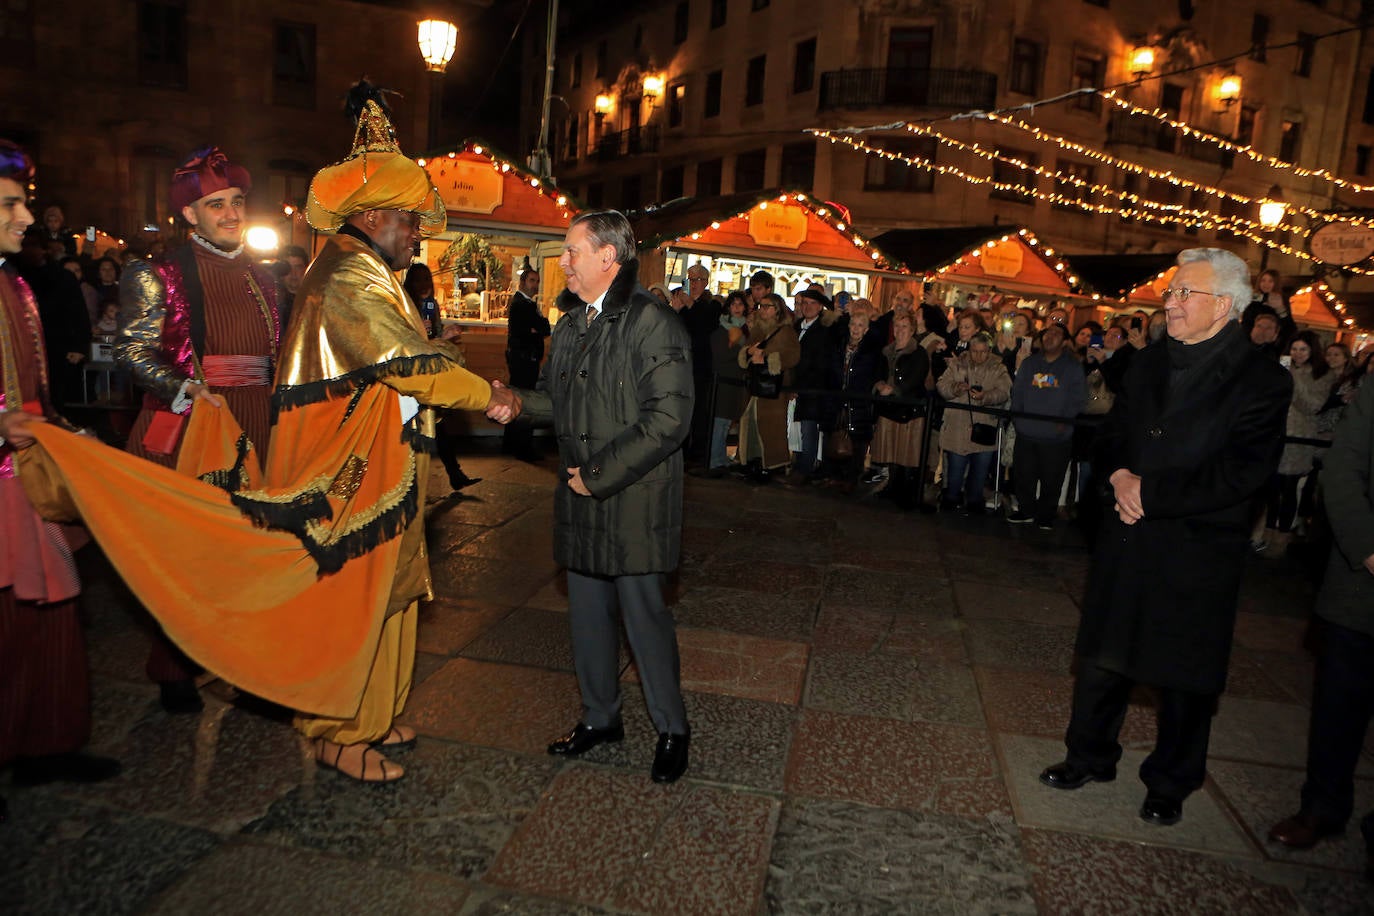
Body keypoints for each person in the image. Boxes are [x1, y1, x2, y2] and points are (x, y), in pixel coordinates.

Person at [272, 88, 519, 782]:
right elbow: (404, 363)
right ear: (374, 215)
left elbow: (407, 350)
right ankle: (340, 732)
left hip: (384, 461)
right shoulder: (350, 273)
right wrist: (488, 395)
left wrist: (442, 352)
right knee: (359, 595)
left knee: (395, 586)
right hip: (350, 471)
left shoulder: (373, 270)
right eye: (411, 222)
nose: (419, 235)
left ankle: (373, 716)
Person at [1038, 248, 1291, 827]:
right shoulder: (1148, 362)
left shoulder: (1261, 380)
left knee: (1183, 677)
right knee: (1103, 660)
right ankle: (1089, 755)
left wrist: (1152, 496)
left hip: (1195, 548)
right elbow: (1113, 434)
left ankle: (1171, 780)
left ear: (1223, 305)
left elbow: (1243, 472)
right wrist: (1120, 476)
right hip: (1126, 539)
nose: (1170, 303)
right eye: (1171, 292)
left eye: (1184, 294)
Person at [510, 210, 694, 784]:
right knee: (587, 617)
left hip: (633, 496)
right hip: (581, 492)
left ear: (607, 258)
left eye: (570, 252)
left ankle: (672, 729)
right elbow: (554, 402)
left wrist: (596, 472)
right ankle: (600, 717)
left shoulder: (651, 321)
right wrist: (513, 403)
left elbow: (669, 419)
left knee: (644, 619)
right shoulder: (568, 325)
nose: (561, 262)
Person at [115, 145, 286, 715]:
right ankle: (173, 667)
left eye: (238, 201)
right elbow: (132, 352)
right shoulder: (155, 273)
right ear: (190, 214)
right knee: (187, 554)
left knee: (251, 552)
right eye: (218, 205)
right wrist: (187, 389)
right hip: (192, 423)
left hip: (256, 419)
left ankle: (249, 671)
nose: (234, 213)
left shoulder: (267, 278)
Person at [0, 140, 120, 823]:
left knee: (50, 614)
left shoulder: (16, 284)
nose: (28, 220)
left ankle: (46, 743)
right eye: (12, 206)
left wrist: (62, 429)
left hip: (30, 477)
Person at [1267, 381, 1374, 880]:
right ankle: (1322, 809)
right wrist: (1367, 547)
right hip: (1363, 583)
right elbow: (1343, 465)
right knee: (1338, 709)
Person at [404, 262, 479, 492]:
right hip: (412, 377)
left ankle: (454, 474)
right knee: (418, 431)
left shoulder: (431, 305)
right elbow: (403, 343)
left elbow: (435, 337)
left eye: (427, 279)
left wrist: (443, 335)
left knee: (439, 426)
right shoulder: (404, 305)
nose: (424, 285)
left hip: (430, 372)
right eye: (419, 280)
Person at [1007, 323, 1085, 529]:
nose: (1050, 337)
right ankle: (1026, 510)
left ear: (1065, 341)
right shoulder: (1030, 363)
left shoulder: (1072, 367)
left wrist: (1064, 421)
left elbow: (1078, 398)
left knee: (1052, 478)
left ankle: (1045, 515)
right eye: (1047, 333)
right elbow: (1018, 392)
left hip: (1056, 436)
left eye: (1056, 334)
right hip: (1027, 432)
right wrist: (1019, 419)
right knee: (1024, 475)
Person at [937, 331, 1011, 513]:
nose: (978, 355)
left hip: (984, 431)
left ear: (989, 351)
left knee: (979, 475)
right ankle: (951, 500)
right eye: (975, 351)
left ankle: (974, 503)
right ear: (969, 350)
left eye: (983, 351)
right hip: (957, 429)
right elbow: (942, 385)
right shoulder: (957, 365)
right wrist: (956, 388)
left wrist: (986, 396)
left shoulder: (998, 368)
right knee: (954, 474)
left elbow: (1004, 392)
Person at [736, 293, 800, 482]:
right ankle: (751, 461)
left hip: (773, 388)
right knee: (750, 423)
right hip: (755, 386)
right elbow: (747, 350)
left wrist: (767, 356)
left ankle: (772, 464)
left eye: (767, 306)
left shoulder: (786, 332)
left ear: (777, 310)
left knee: (771, 427)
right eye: (760, 306)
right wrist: (749, 352)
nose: (762, 310)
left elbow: (792, 355)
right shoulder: (757, 330)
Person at [871, 311, 931, 510]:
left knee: (908, 452)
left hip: (910, 409)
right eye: (897, 326)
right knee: (891, 449)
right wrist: (879, 384)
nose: (900, 330)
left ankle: (907, 492)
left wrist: (895, 390)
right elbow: (878, 373)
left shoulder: (919, 353)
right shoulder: (885, 350)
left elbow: (916, 378)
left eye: (904, 326)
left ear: (912, 329)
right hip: (889, 408)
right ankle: (893, 486)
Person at [788, 287, 839, 485]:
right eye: (804, 303)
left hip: (814, 387)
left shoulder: (825, 329)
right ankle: (799, 464)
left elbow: (818, 362)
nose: (807, 307)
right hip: (800, 385)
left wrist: (799, 385)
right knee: (798, 428)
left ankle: (805, 469)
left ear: (820, 307)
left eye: (812, 303)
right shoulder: (798, 326)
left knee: (809, 429)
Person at [503, 264, 551, 461]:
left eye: (538, 282)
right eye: (532, 281)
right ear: (522, 283)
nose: (535, 285)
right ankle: (522, 447)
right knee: (525, 402)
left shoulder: (523, 303)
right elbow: (541, 328)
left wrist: (537, 329)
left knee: (517, 398)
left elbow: (543, 329)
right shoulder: (524, 305)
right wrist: (536, 330)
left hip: (521, 358)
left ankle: (512, 444)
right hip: (524, 360)